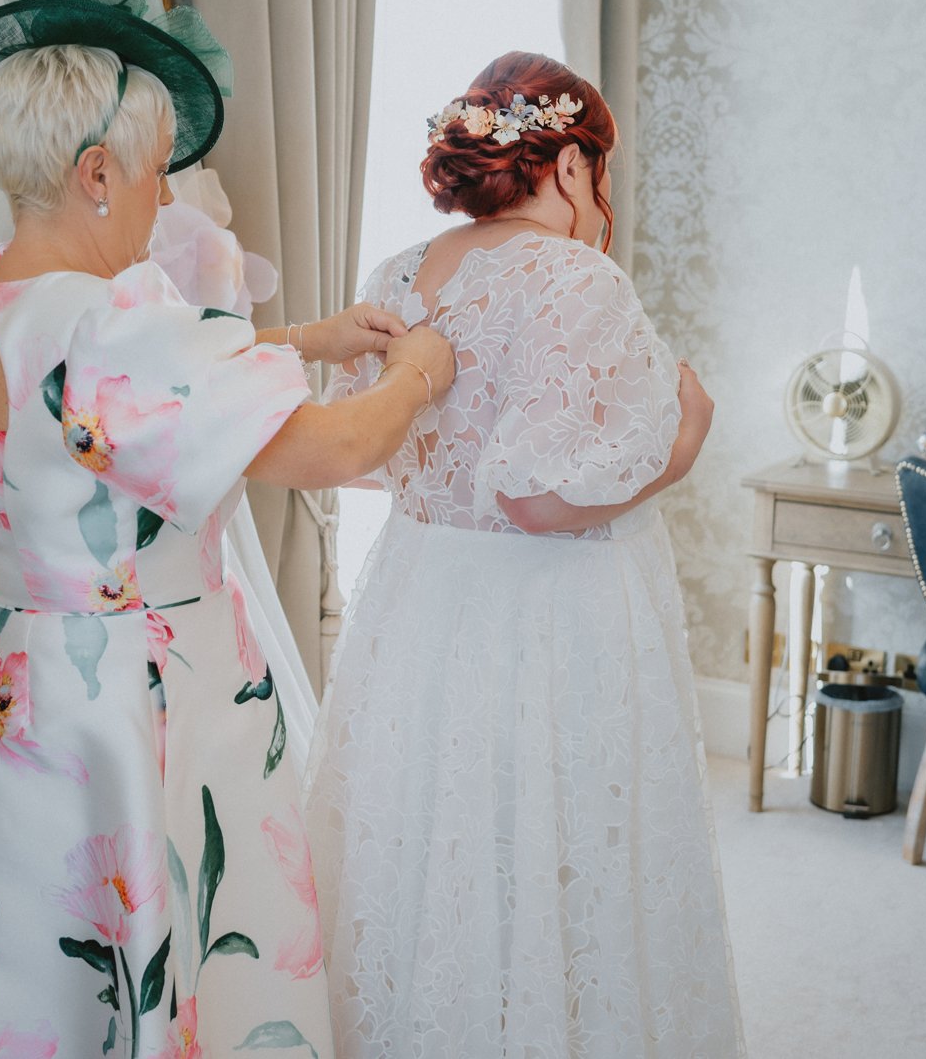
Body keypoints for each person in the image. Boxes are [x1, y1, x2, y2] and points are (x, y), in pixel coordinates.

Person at [0, 0, 455, 1059]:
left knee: (22, 956)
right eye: (154, 173)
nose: (161, 198)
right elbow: (329, 449)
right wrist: (416, 372)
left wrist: (306, 339)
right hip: (132, 701)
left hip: (7, 691)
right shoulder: (112, 321)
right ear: (97, 172)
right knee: (174, 943)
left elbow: (92, 416)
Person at [304, 52, 739, 1056]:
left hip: (422, 589)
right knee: (552, 832)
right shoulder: (575, 276)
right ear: (570, 161)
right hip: (544, 604)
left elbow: (379, 460)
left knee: (424, 828)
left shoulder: (398, 270)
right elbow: (541, 499)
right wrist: (678, 450)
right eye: (602, 170)